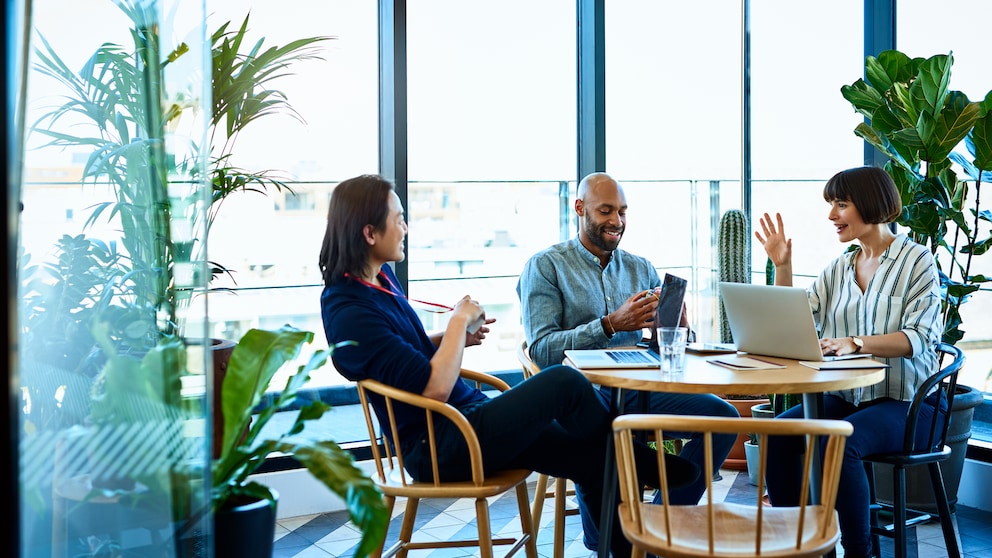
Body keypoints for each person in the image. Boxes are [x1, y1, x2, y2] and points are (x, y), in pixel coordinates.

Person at [318, 174, 698, 558]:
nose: (406, 227)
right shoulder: (348, 309)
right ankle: (636, 457)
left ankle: (627, 527)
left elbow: (403, 354)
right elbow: (432, 389)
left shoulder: (380, 280)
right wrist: (454, 323)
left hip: (466, 418)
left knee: (595, 460)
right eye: (399, 218)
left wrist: (454, 339)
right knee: (563, 381)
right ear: (369, 233)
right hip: (440, 446)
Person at [516, 171, 739, 551]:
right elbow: (541, 349)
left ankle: (656, 526)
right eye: (606, 211)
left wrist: (678, 330)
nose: (617, 221)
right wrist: (608, 324)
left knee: (722, 418)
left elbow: (666, 347)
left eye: (622, 211)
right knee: (601, 432)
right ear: (580, 208)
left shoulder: (640, 267)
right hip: (580, 397)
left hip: (640, 388)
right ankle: (611, 543)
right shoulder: (546, 265)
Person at [755, 166, 943, 558]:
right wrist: (783, 267)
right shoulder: (840, 267)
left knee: (841, 441)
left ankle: (860, 552)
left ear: (871, 204)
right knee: (778, 434)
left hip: (910, 405)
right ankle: (799, 544)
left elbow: (920, 339)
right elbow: (795, 322)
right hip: (852, 399)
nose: (831, 215)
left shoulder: (917, 262)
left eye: (841, 204)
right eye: (831, 205)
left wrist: (856, 342)